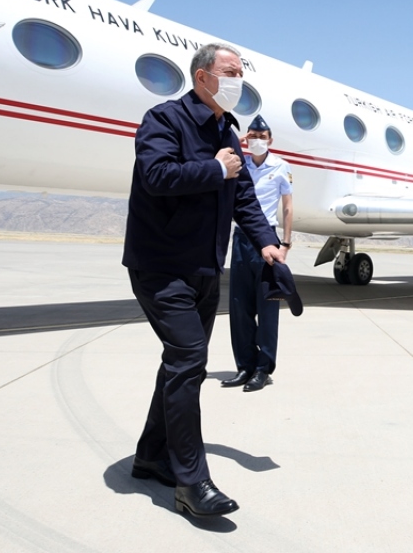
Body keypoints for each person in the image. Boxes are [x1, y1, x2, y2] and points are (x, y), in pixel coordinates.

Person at [122, 43, 284, 518]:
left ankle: (152, 455)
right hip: (161, 266)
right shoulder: (164, 120)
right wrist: (214, 168)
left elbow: (245, 202)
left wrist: (269, 242)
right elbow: (155, 175)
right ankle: (192, 482)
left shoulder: (228, 134)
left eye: (241, 72)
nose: (239, 80)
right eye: (231, 72)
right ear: (202, 77)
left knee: (180, 363)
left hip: (205, 270)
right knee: (190, 360)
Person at [224, 114, 294, 392]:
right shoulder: (238, 164)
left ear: (270, 140)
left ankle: (263, 369)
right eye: (252, 136)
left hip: (269, 241)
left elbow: (287, 208)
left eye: (262, 137)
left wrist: (285, 244)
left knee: (267, 308)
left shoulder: (281, 168)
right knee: (239, 306)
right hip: (242, 239)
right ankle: (244, 366)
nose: (257, 140)